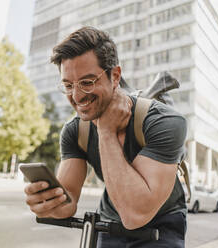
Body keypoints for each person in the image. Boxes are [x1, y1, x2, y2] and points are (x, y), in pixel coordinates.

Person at [24, 26, 187, 247]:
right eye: (68, 85)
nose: (77, 96)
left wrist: (106, 131)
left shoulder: (164, 122)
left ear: (115, 76)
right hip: (110, 219)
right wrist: (49, 203)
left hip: (161, 222)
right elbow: (68, 202)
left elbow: (135, 214)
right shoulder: (74, 131)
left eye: (87, 82)